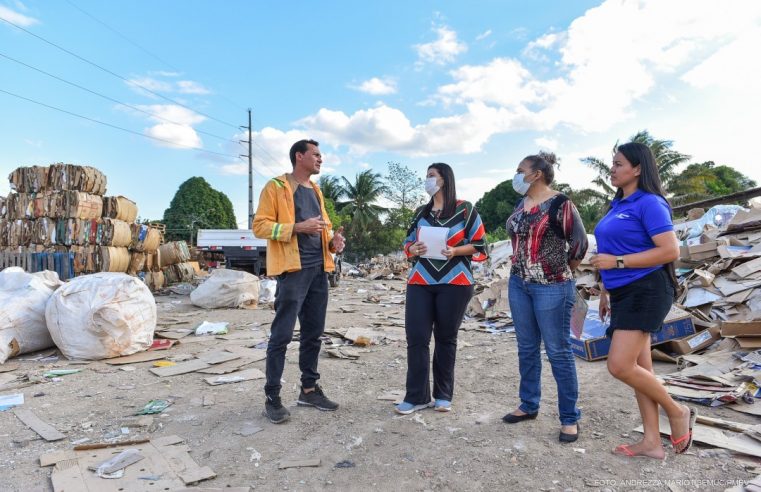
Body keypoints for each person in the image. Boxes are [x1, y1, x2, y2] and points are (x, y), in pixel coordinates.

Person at [590, 142, 696, 458]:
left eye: (619, 163)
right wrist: (606, 291)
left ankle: (677, 412)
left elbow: (669, 251)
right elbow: (608, 254)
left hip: (647, 289)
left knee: (620, 365)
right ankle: (652, 441)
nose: (612, 168)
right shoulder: (616, 205)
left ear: (637, 168)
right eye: (612, 163)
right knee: (640, 368)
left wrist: (618, 263)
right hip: (622, 293)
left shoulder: (649, 203)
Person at [253, 139, 345, 424]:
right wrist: (296, 228)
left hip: (319, 270)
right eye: (316, 154)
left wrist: (334, 243)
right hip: (293, 271)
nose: (321, 159)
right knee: (281, 335)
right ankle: (273, 397)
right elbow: (260, 226)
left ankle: (309, 390)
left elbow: (323, 232)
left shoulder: (316, 190)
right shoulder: (277, 187)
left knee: (313, 334)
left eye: (321, 155)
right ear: (299, 156)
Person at [502, 152, 588, 444]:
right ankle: (528, 404)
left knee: (558, 351)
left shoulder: (561, 203)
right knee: (527, 348)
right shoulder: (521, 203)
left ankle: (569, 418)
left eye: (519, 170)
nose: (516, 175)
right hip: (519, 284)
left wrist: (556, 271)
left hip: (552, 287)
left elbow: (579, 244)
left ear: (536, 173)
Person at [396, 163, 487, 415]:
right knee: (416, 338)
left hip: (455, 282)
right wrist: (411, 249)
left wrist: (455, 251)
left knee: (446, 338)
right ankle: (416, 396)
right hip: (420, 281)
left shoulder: (465, 209)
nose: (427, 180)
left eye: (431, 176)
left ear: (445, 179)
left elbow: (480, 245)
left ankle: (443, 395)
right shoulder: (420, 212)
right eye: (426, 176)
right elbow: (407, 242)